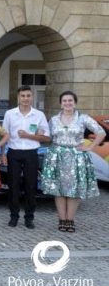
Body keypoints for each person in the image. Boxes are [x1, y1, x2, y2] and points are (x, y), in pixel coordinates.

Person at [41, 91, 105, 232]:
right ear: (61, 103)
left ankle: (70, 220)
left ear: (75, 102)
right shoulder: (54, 119)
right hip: (56, 157)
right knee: (58, 190)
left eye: (70, 100)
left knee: (73, 190)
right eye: (65, 101)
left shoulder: (83, 118)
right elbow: (47, 136)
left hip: (76, 157)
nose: (67, 103)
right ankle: (62, 219)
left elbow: (101, 132)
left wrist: (91, 147)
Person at [2, 85, 50, 229]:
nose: (25, 99)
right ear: (18, 97)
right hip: (14, 153)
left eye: (28, 96)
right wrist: (3, 153)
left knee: (31, 186)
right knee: (13, 186)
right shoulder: (10, 114)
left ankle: (29, 218)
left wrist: (30, 135)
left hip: (31, 153)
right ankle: (14, 216)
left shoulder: (39, 115)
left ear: (32, 97)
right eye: (23, 96)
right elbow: (5, 135)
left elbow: (46, 137)